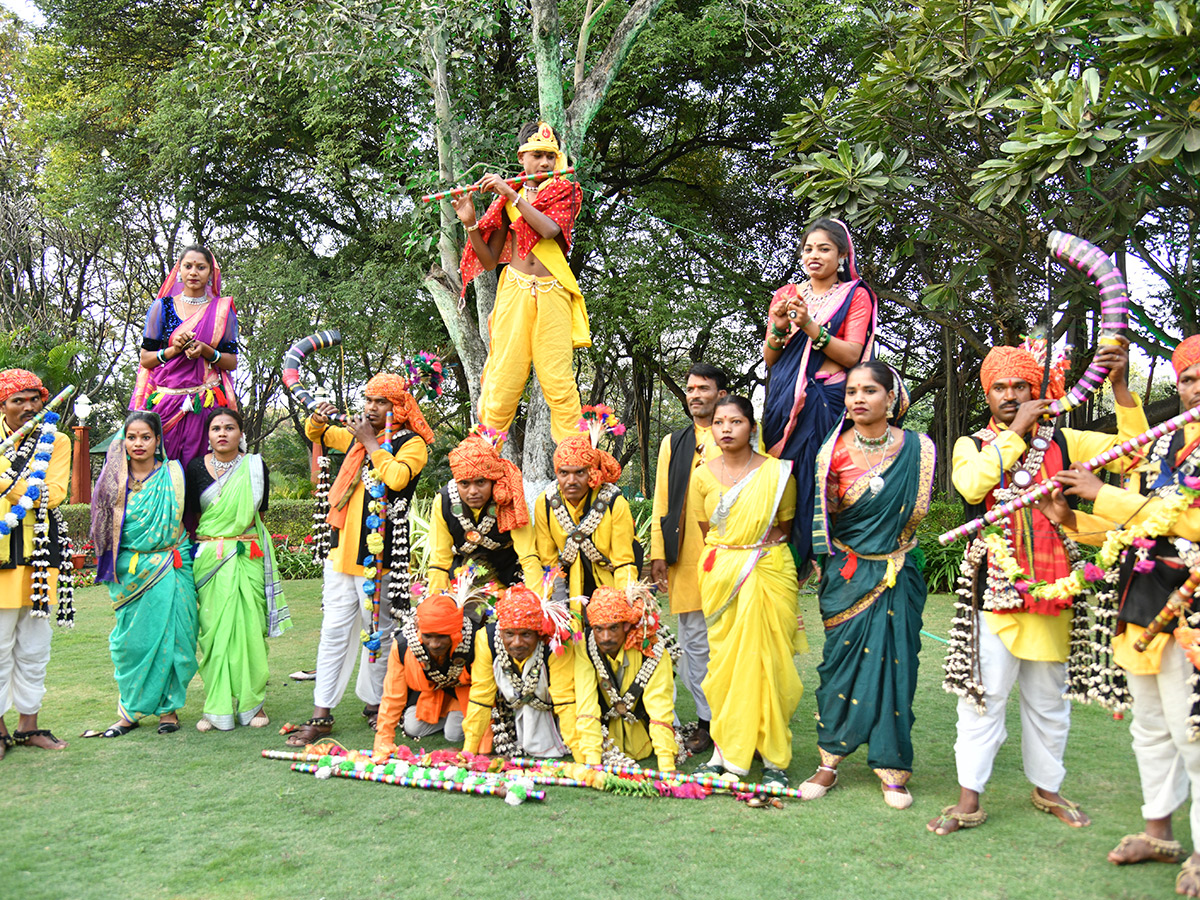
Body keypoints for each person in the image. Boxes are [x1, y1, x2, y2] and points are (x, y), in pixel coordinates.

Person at [930, 339, 1147, 834]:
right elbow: (972, 486)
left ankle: (1048, 789)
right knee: (983, 696)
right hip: (994, 592)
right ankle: (969, 798)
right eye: (1000, 387)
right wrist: (1017, 433)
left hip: (1055, 589)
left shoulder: (1068, 442)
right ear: (987, 395)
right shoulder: (974, 444)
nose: (1010, 394)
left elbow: (1134, 457)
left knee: (1049, 700)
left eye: (1020, 385)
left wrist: (1118, 386)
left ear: (1038, 388)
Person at [1040, 335, 1200, 893]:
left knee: (1194, 732)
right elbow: (1136, 525)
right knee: (1152, 727)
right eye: (1187, 378)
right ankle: (1160, 834)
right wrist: (1069, 519)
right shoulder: (1164, 442)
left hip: (1193, 609)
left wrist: (1101, 496)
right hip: (1143, 597)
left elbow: (1190, 524)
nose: (1194, 387)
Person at [802, 362, 934, 808]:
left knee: (897, 666)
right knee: (837, 668)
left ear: (891, 397)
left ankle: (891, 765)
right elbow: (826, 516)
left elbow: (914, 514)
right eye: (852, 390)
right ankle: (829, 759)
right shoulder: (832, 451)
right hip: (849, 575)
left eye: (869, 390)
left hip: (898, 570)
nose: (858, 398)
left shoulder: (919, 449)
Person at [284, 374, 432, 747]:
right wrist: (318, 418)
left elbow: (397, 479)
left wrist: (371, 443)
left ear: (397, 407)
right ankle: (321, 713)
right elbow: (317, 434)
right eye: (368, 399)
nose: (370, 407)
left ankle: (377, 704)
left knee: (377, 633)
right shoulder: (355, 435)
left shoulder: (413, 444)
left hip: (379, 557)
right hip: (339, 553)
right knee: (333, 631)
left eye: (380, 401)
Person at [688, 395, 806, 786]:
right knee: (724, 665)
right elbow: (710, 533)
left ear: (751, 428)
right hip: (722, 575)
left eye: (735, 421)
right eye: (719, 422)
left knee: (770, 663)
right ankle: (725, 751)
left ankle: (774, 760)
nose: (725, 428)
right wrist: (734, 557)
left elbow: (784, 527)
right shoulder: (702, 475)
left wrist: (750, 554)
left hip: (769, 569)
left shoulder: (777, 474)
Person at [456, 121, 588, 443]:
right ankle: (483, 463)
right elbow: (489, 260)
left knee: (559, 382)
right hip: (514, 290)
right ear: (522, 157)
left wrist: (511, 195)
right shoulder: (508, 196)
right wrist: (471, 222)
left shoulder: (566, 190)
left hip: (553, 291)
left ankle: (578, 464)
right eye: (538, 155)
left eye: (550, 156)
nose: (545, 163)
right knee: (503, 378)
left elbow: (550, 231)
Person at [762, 219, 877, 574]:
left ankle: (821, 563)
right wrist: (781, 325)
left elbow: (854, 355)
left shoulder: (855, 295)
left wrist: (811, 326)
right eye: (809, 248)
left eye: (824, 249)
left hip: (824, 404)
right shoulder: (785, 295)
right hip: (783, 402)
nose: (815, 255)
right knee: (782, 481)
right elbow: (770, 358)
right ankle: (782, 566)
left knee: (818, 480)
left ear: (842, 255)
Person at [85, 411, 197, 737]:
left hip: (170, 566)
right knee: (131, 644)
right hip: (131, 574)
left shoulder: (173, 474)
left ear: (157, 440)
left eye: (145, 437)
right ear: (124, 440)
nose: (138, 443)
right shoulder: (111, 480)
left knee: (176, 640)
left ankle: (169, 710)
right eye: (132, 437)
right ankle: (129, 710)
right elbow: (103, 531)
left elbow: (183, 523)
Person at [186, 408, 291, 732]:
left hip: (247, 555)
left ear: (240, 433)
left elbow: (258, 509)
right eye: (216, 428)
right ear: (207, 435)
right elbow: (190, 513)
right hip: (210, 559)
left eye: (229, 427)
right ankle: (215, 708)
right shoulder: (193, 468)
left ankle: (252, 705)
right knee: (213, 633)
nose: (222, 433)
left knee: (249, 631)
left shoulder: (255, 467)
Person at [650, 363, 727, 755]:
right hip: (687, 561)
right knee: (694, 644)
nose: (695, 395)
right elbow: (662, 501)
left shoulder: (737, 433)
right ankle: (707, 722)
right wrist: (658, 553)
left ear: (720, 393)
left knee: (731, 642)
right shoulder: (673, 443)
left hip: (732, 558)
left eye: (704, 388)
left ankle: (738, 722)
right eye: (690, 389)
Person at [0, 370, 71, 757]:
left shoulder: (55, 440)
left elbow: (53, 493)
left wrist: (6, 484)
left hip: (41, 556)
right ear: (3, 405)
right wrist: (22, 488)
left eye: (35, 400)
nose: (28, 407)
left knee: (34, 646)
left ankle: (29, 727)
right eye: (18, 400)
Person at [131, 245, 238, 468]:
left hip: (204, 403)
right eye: (187, 266)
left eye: (201, 267)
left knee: (199, 470)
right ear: (179, 270)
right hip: (165, 403)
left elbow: (231, 362)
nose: (193, 272)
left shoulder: (221, 310)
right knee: (161, 469)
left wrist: (206, 350)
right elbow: (145, 359)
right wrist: (173, 351)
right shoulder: (162, 307)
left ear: (211, 273)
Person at [462, 583, 577, 758]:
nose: (516, 643)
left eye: (525, 634)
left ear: (539, 634)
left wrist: (580, 754)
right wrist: (469, 750)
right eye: (509, 634)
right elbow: (481, 696)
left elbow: (565, 699)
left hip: (554, 716)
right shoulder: (486, 638)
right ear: (500, 633)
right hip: (509, 717)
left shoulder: (555, 641)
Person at [574, 584, 677, 770]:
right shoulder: (584, 647)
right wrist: (592, 760)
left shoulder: (652, 649)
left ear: (627, 625)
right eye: (599, 629)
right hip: (605, 743)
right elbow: (586, 703)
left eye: (613, 628)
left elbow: (659, 707)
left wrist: (666, 764)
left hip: (644, 739)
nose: (605, 637)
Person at [427, 431, 540, 593]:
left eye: (481, 482)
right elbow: (439, 560)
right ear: (456, 482)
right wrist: (436, 602)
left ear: (493, 480)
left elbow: (528, 556)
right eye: (464, 484)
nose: (473, 491)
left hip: (509, 574)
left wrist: (537, 601)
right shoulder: (444, 501)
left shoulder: (509, 498)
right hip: (463, 576)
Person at [372, 592, 477, 759]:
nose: (434, 644)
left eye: (442, 637)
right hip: (430, 692)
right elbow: (392, 696)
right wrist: (383, 742)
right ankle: (451, 717)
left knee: (454, 734)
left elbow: (484, 693)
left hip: (467, 693)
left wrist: (480, 750)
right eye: (428, 636)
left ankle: (459, 718)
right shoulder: (403, 645)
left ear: (455, 631)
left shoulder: (475, 640)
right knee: (412, 727)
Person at [535, 432, 638, 600]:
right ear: (556, 473)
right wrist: (556, 607)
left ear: (591, 473)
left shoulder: (614, 503)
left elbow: (624, 562)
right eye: (564, 473)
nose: (571, 481)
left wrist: (624, 603)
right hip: (565, 587)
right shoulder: (545, 502)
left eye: (579, 473)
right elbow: (548, 560)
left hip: (609, 585)